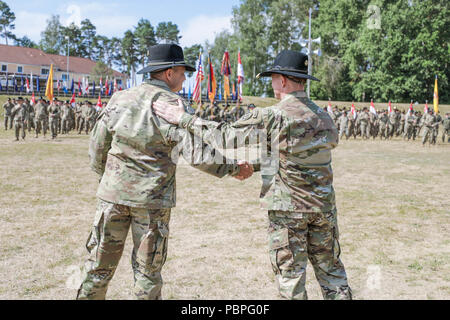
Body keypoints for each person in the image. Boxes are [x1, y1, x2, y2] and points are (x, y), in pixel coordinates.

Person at [153, 49, 352, 300]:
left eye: (272, 79)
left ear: (282, 80)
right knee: (332, 273)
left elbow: (225, 137)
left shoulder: (271, 116)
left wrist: (183, 118)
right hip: (324, 209)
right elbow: (301, 154)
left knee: (291, 278)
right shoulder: (324, 117)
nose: (272, 85)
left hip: (289, 212)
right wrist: (256, 165)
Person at [76, 44, 252, 300]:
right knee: (147, 274)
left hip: (112, 197)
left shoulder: (120, 98)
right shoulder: (174, 105)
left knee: (97, 268)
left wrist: (109, 179)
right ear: (169, 73)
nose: (184, 77)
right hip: (151, 202)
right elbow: (196, 154)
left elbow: (97, 146)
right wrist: (234, 168)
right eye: (182, 72)